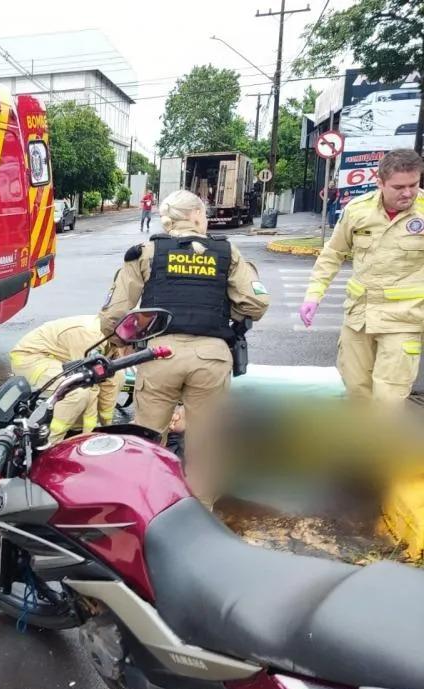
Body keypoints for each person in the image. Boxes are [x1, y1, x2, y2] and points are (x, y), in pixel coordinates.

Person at [100, 189, 270, 506]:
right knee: (205, 444)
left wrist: (119, 344)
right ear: (195, 216)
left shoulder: (146, 252)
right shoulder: (227, 253)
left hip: (159, 355)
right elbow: (256, 304)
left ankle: (151, 510)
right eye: (204, 215)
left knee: (148, 439)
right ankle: (199, 516)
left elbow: (114, 314)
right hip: (211, 356)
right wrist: (221, 312)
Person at [300, 149, 424, 401]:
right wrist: (314, 295)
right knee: (356, 392)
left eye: (414, 184)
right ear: (380, 182)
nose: (408, 193)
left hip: (405, 319)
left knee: (388, 399)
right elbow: (333, 253)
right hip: (359, 317)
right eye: (399, 187)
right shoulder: (358, 210)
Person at [9, 315, 124, 445]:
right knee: (77, 392)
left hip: (57, 357)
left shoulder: (113, 334)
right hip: (30, 358)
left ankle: (75, 428)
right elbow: (88, 382)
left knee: (119, 376)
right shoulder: (91, 337)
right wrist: (89, 433)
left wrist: (107, 427)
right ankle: (49, 443)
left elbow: (109, 380)